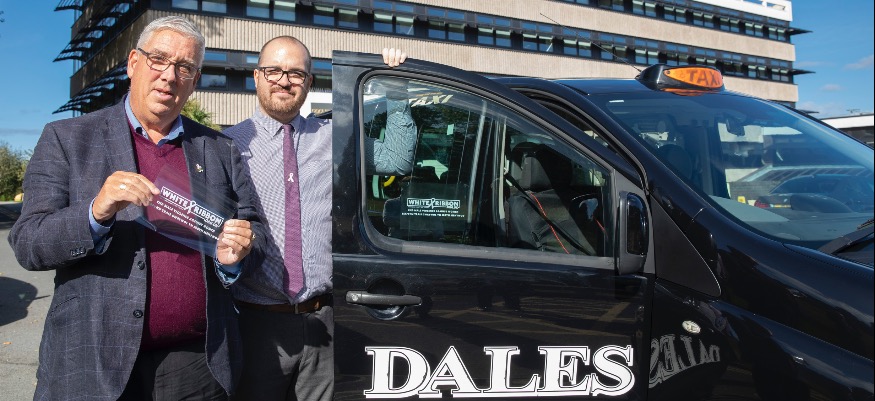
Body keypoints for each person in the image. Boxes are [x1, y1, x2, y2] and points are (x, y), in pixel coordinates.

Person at [8, 16, 264, 401]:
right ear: (133, 63)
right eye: (158, 59)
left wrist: (233, 259)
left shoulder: (220, 150)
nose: (169, 75)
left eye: (184, 67)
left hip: (196, 364)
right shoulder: (67, 138)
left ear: (194, 80)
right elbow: (29, 244)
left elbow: (254, 233)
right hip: (93, 362)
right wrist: (96, 213)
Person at [224, 36, 416, 400]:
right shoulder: (228, 144)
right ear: (257, 76)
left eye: (296, 73)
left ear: (309, 82)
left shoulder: (335, 139)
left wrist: (395, 89)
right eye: (273, 71)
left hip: (324, 321)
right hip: (254, 324)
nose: (284, 81)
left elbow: (396, 159)